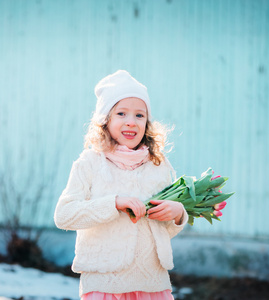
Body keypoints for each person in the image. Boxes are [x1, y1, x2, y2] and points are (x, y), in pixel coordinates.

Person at [54, 70, 188, 300]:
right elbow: (64, 215)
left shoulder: (159, 165)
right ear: (105, 120)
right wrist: (113, 203)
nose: (131, 122)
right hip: (105, 284)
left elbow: (163, 230)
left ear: (147, 122)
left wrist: (178, 214)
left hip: (152, 283)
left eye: (139, 115)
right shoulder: (90, 163)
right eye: (121, 113)